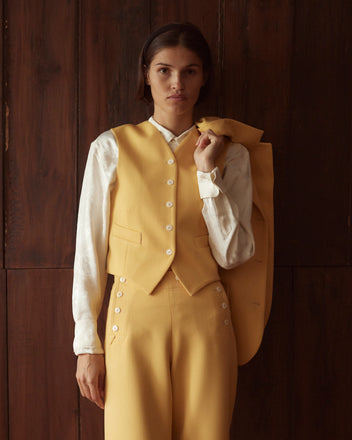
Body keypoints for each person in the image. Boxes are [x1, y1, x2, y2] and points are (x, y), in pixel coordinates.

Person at [73, 22, 273, 440]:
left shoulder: (230, 154)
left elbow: (234, 254)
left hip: (205, 321)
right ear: (146, 73)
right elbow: (88, 253)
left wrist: (207, 176)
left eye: (190, 71)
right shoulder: (109, 148)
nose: (176, 83)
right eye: (164, 70)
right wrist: (86, 346)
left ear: (204, 78)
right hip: (130, 322)